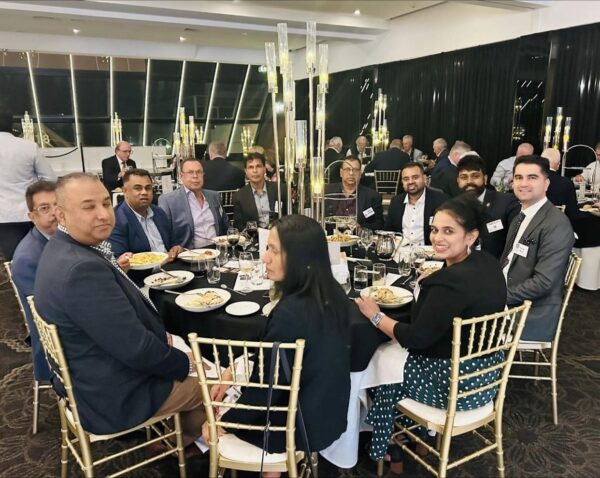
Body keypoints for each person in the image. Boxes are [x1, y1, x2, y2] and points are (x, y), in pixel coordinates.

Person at [33, 173, 204, 450]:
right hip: (113, 392)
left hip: (89, 372)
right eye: (89, 207)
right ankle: (179, 445)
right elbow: (136, 349)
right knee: (215, 383)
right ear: (61, 215)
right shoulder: (81, 270)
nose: (103, 215)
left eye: (105, 203)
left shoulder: (62, 249)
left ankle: (174, 436)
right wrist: (188, 364)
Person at [356, 194, 507, 463]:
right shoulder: (488, 263)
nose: (437, 237)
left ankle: (387, 442)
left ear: (470, 236)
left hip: (451, 388)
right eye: (435, 229)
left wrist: (375, 316)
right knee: (390, 357)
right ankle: (419, 438)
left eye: (449, 231)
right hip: (486, 380)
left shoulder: (448, 284)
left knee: (377, 358)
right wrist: (435, 280)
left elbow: (415, 338)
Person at [212, 214, 351, 456]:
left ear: (299, 258)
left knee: (211, 411)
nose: (264, 258)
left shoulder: (290, 312)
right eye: (267, 247)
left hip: (294, 427)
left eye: (274, 251)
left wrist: (224, 421)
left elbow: (267, 389)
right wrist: (235, 368)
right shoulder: (334, 293)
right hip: (328, 415)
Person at [501, 155, 574, 341]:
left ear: (546, 183)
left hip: (529, 314)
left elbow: (543, 282)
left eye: (532, 178)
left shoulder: (556, 224)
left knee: (456, 321)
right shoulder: (520, 215)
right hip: (511, 298)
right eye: (518, 177)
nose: (523, 183)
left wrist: (498, 296)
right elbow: (507, 261)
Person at [11, 180, 58, 383]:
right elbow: (48, 314)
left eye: (57, 205)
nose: (54, 213)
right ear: (32, 216)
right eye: (45, 208)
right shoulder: (28, 258)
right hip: (56, 345)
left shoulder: (63, 237)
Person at [0, 107, 56, 260]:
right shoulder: (28, 147)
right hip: (32, 211)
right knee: (44, 254)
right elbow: (50, 180)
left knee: (17, 258)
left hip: (3, 216)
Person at [109, 168, 183, 276]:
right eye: (137, 188)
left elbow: (173, 243)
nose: (144, 192)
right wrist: (161, 263)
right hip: (143, 281)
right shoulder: (117, 220)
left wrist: (177, 248)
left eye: (148, 188)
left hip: (172, 270)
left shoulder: (159, 212)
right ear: (125, 192)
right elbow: (120, 264)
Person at [457, 154, 520, 258]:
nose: (469, 182)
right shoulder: (452, 208)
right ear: (458, 181)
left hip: (496, 268)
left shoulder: (506, 203)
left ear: (485, 179)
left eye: (475, 176)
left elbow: (515, 242)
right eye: (464, 177)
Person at [158, 158, 229, 248]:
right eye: (190, 172)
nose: (195, 176)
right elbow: (164, 235)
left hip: (217, 250)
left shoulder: (214, 196)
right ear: (181, 176)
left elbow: (226, 225)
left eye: (199, 172)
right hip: (188, 255)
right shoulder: (168, 201)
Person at [384, 162, 448, 245]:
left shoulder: (440, 200)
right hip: (400, 252)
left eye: (415, 177)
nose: (410, 182)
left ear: (424, 178)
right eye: (406, 179)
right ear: (402, 182)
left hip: (428, 253)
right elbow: (388, 229)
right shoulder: (396, 201)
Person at [325, 156, 384, 231]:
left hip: (357, 240)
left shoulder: (372, 196)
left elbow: (379, 224)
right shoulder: (327, 191)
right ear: (341, 173)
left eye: (355, 170)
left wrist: (361, 228)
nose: (351, 173)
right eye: (347, 169)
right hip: (331, 239)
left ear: (360, 173)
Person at [232, 152, 285, 230]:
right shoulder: (239, 196)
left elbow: (289, 216)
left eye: (258, 166)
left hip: (279, 235)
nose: (255, 171)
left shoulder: (280, 189)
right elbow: (238, 224)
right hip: (254, 237)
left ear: (264, 169)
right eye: (250, 167)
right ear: (246, 171)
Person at [542, 147, 580, 224]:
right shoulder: (566, 183)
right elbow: (573, 214)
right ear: (558, 165)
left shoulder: (532, 180)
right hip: (557, 226)